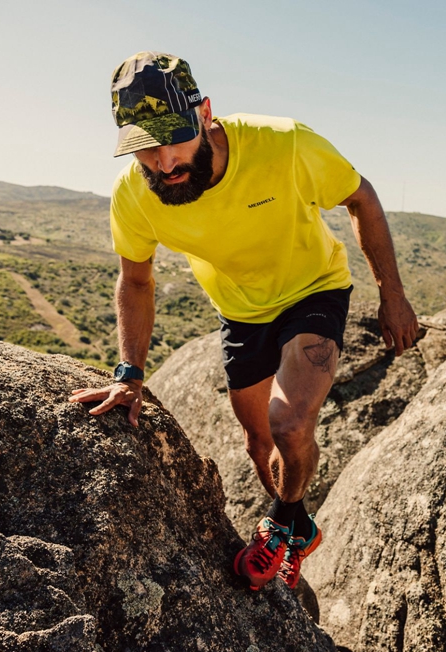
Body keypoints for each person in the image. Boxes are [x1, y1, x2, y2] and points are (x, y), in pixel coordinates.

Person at [69, 51, 419, 592]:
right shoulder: (135, 195)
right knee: (261, 445)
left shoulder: (284, 145)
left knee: (290, 423)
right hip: (240, 311)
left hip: (312, 290)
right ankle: (297, 524)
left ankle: (279, 522)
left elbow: (361, 197)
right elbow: (136, 281)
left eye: (173, 140)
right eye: (145, 149)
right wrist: (128, 373)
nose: (163, 163)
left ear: (205, 113)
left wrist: (391, 294)